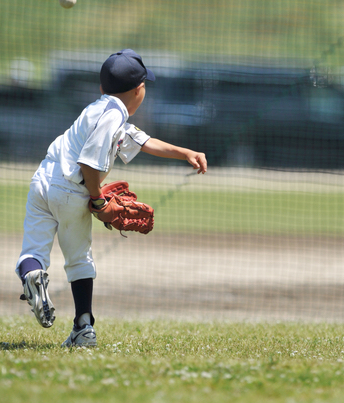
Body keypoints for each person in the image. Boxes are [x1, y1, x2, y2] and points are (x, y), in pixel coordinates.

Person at [15, 49, 207, 347]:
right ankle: (83, 328)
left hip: (42, 180)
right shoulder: (115, 113)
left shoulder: (100, 108)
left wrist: (186, 153)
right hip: (71, 190)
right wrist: (98, 200)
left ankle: (32, 276)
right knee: (79, 260)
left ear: (102, 87)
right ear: (138, 90)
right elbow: (89, 163)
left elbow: (142, 141)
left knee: (33, 252)